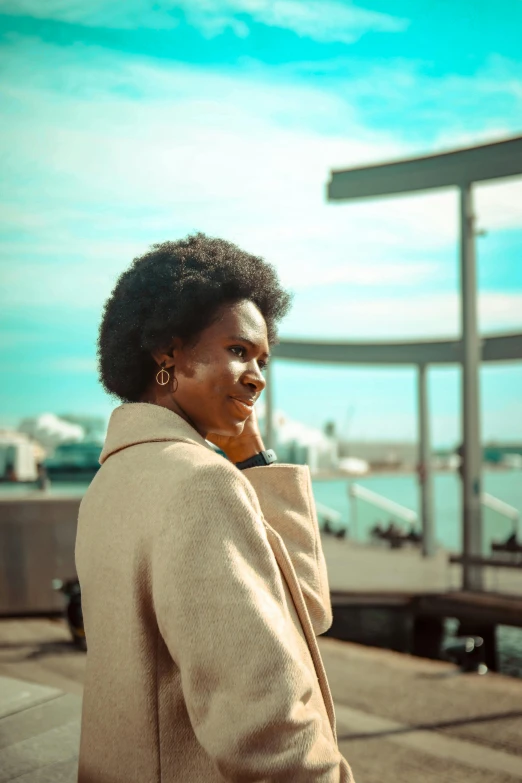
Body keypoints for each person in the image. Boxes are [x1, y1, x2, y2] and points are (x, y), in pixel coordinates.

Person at [75, 233, 355, 783]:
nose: (257, 376)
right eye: (237, 350)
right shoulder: (201, 487)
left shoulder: (110, 483)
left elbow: (302, 611)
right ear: (168, 351)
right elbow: (266, 729)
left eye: (262, 359)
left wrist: (252, 461)